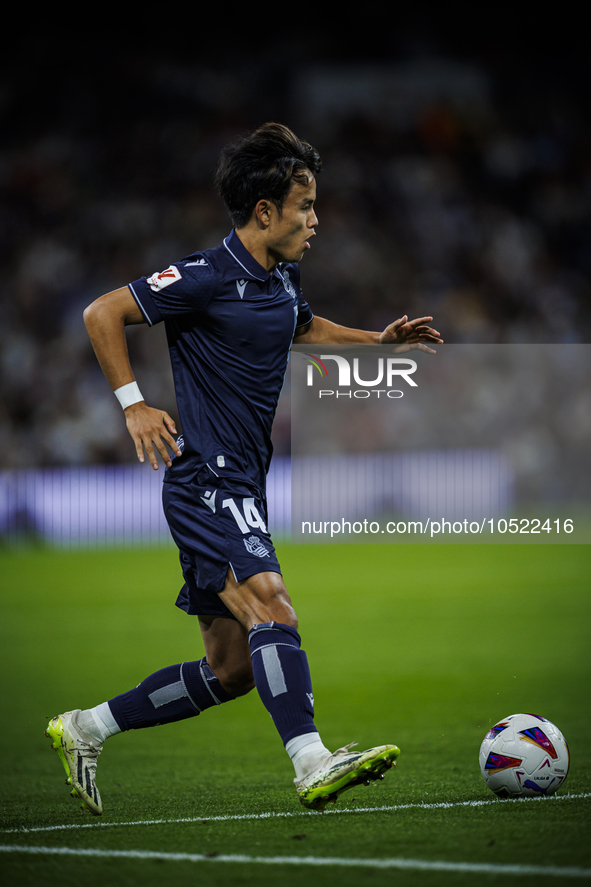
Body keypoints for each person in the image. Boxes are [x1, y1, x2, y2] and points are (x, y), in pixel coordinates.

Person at [45, 122, 442, 816]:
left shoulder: (281, 275)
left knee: (230, 670)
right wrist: (135, 406)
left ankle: (87, 726)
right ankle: (312, 760)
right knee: (271, 600)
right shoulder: (203, 275)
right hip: (206, 478)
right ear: (266, 212)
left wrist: (374, 341)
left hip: (241, 481)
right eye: (305, 206)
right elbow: (101, 311)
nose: (315, 220)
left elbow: (301, 327)